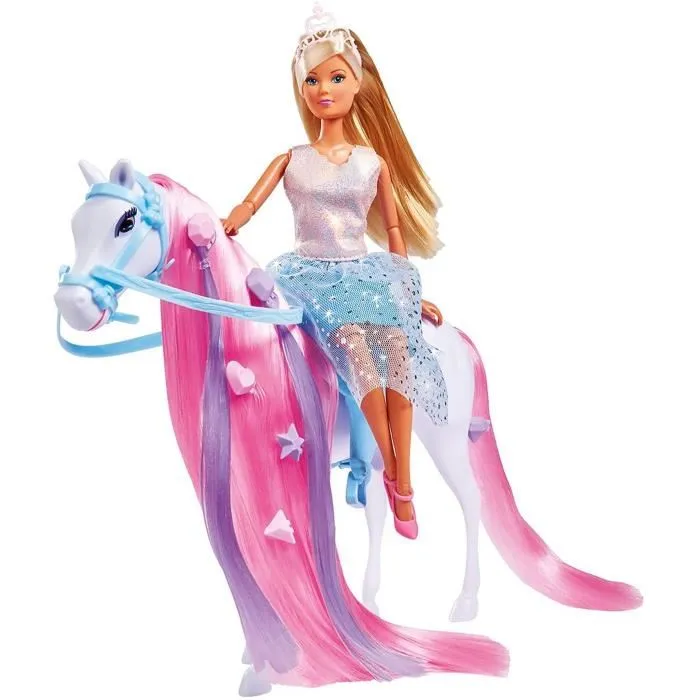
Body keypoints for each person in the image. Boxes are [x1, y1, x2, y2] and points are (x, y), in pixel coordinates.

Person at [222, 3, 448, 539]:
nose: (323, 89)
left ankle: (404, 479)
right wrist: (233, 218)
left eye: (336, 77)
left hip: (364, 273)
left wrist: (405, 289)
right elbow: (251, 202)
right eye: (312, 80)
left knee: (399, 354)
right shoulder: (291, 158)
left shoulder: (372, 163)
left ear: (357, 83)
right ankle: (391, 473)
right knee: (356, 353)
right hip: (310, 275)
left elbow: (394, 231)